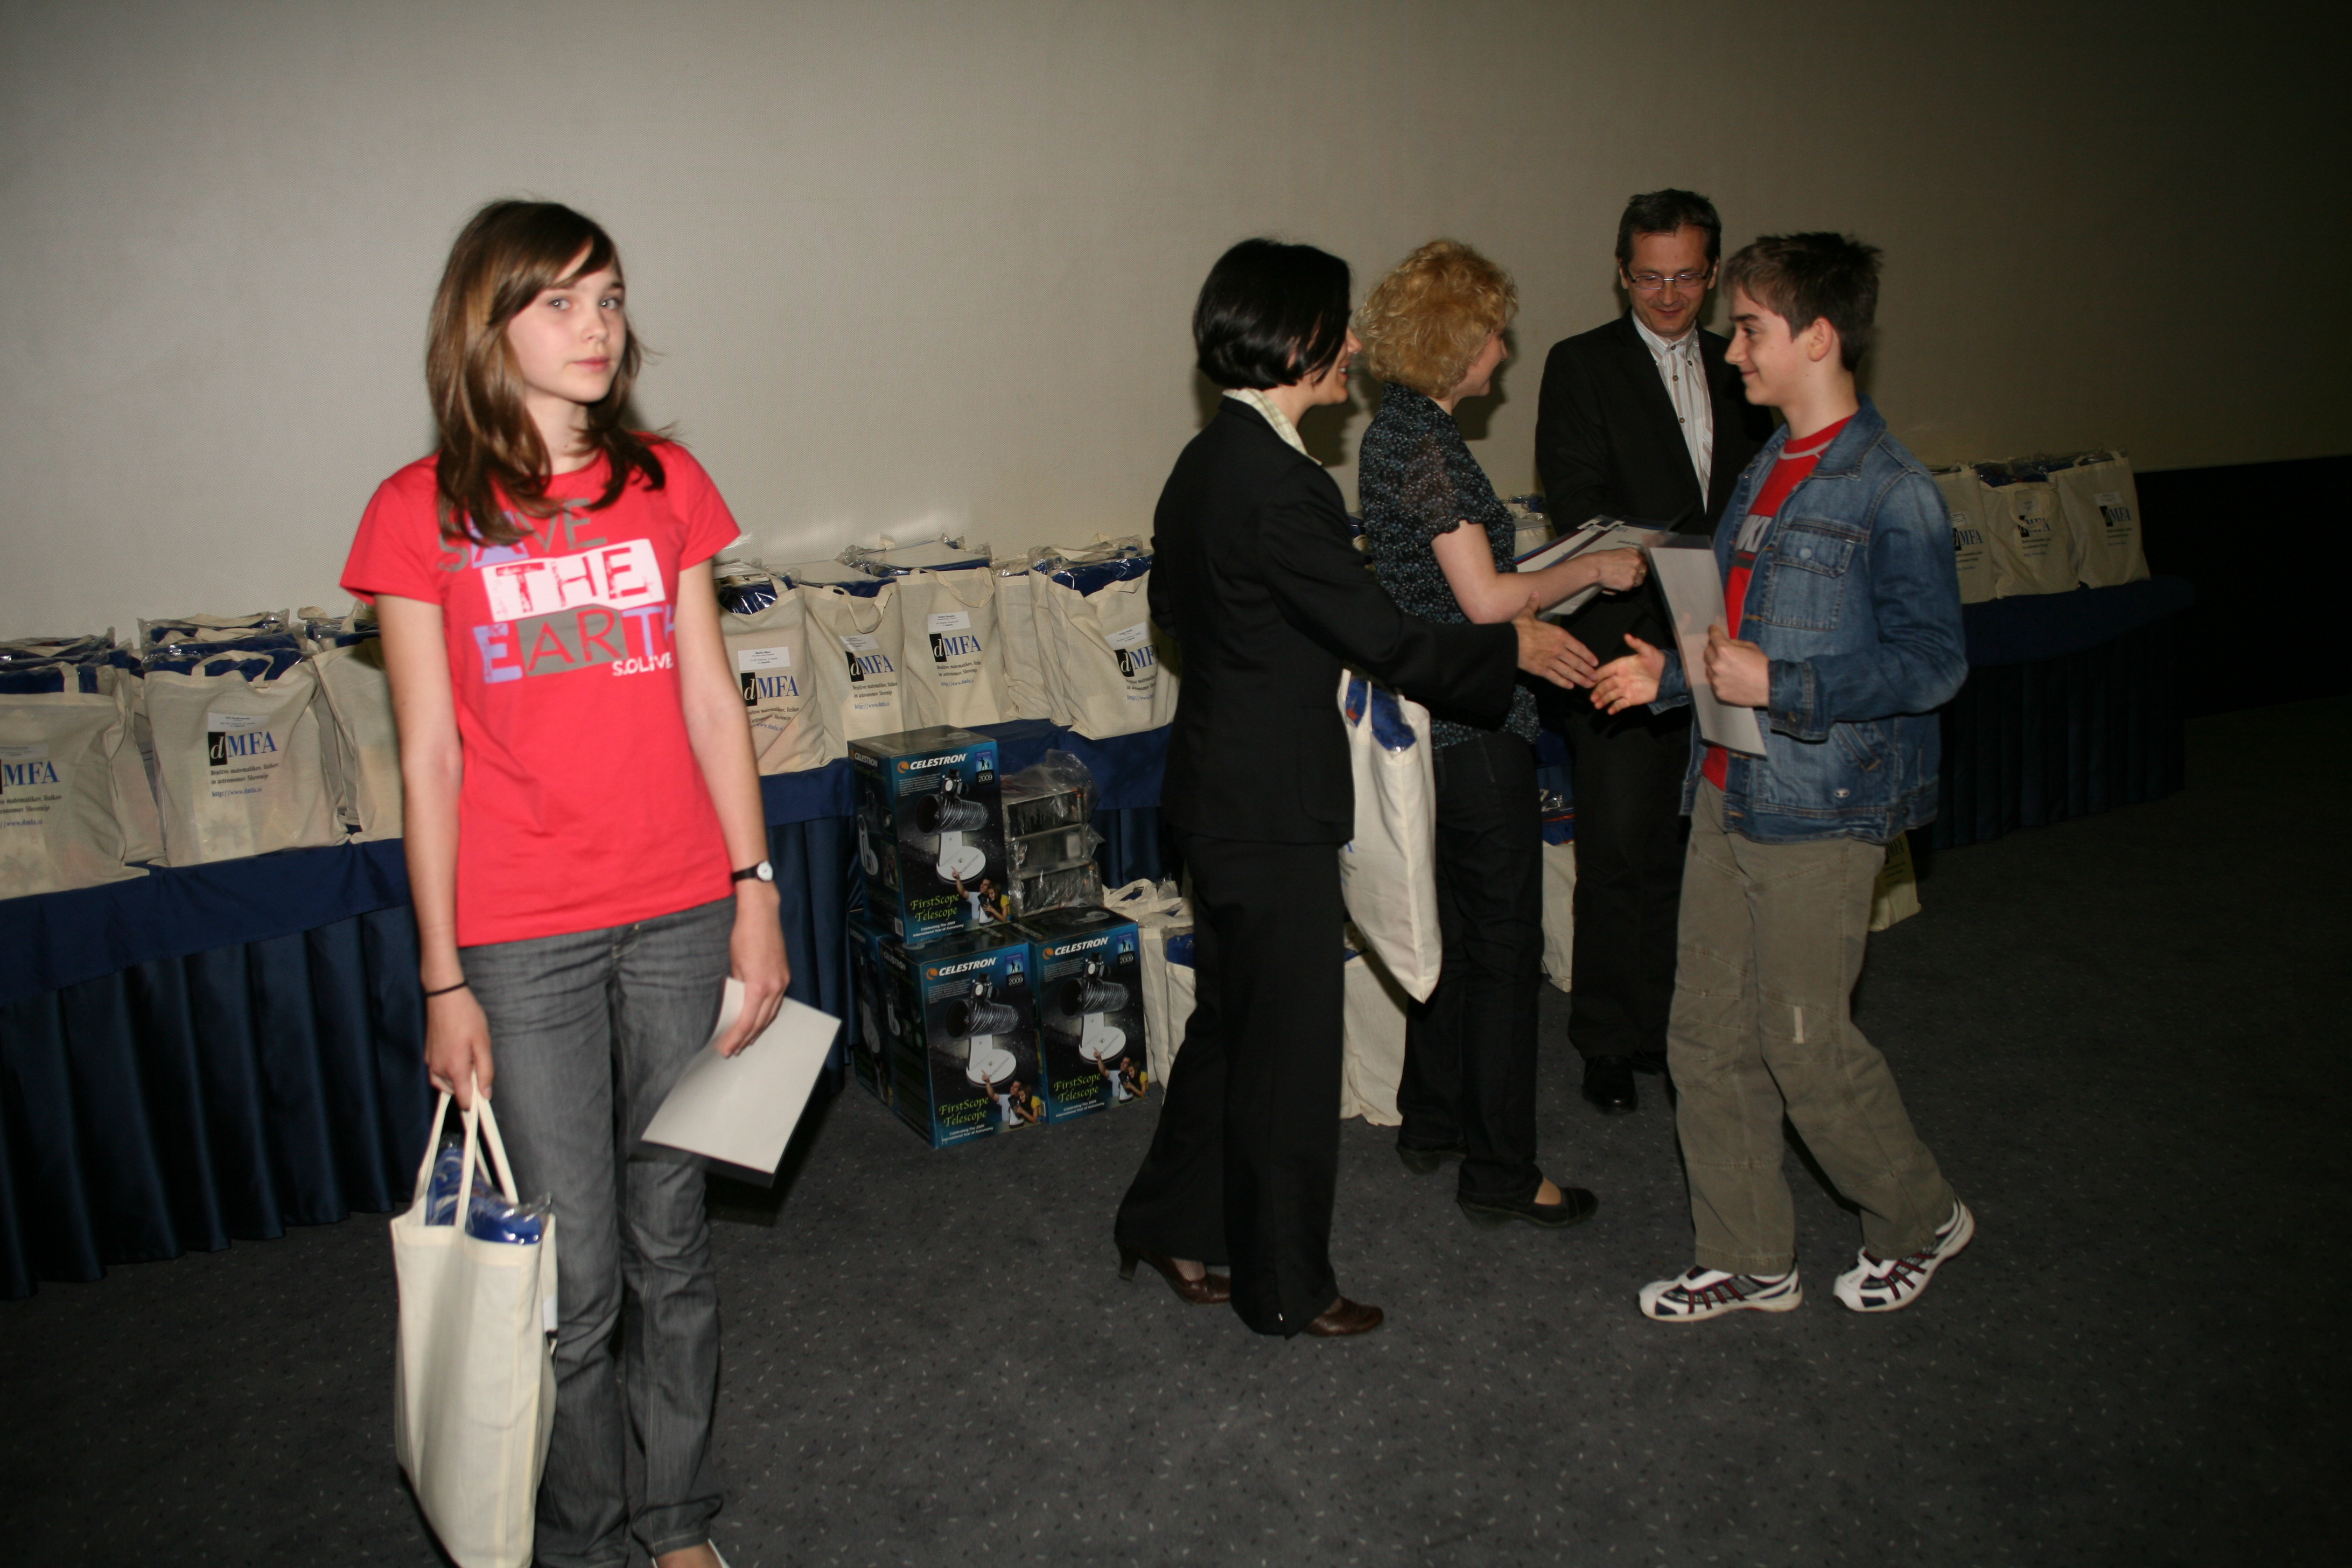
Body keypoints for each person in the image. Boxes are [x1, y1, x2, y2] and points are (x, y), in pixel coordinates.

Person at [344, 200, 787, 1567]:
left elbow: (712, 699)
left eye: (610, 299)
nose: (597, 327)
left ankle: (675, 1518)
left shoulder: (665, 484)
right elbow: (427, 759)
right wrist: (442, 977)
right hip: (521, 934)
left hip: (682, 909)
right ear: (489, 326)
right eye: (561, 302)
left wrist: (756, 888)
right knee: (574, 1270)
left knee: (674, 1241)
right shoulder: (417, 513)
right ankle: (583, 1525)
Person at [1112, 237, 1595, 1339]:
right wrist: (1510, 647)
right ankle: (1286, 1288)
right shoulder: (1284, 485)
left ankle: (1166, 1221)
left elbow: (1179, 614)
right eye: (1340, 330)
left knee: (1232, 1029)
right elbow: (1386, 638)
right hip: (1272, 810)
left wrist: (1276, 648)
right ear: (1297, 341)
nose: (1357, 348)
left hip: (1214, 793)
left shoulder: (1206, 459)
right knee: (1285, 1058)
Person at [1586, 232, 1975, 1321]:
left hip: (1821, 807)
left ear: (1818, 336)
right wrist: (1670, 678)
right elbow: (1736, 638)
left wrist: (1785, 682)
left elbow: (1934, 664)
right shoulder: (1767, 466)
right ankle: (1749, 1254)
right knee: (1705, 1038)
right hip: (1727, 786)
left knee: (1804, 1046)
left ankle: (1921, 1218)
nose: (1733, 350)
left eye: (1751, 329)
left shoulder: (1892, 489)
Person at [1353, 240, 1647, 1228]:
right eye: (1495, 334)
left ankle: (1432, 1119)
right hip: (1475, 727)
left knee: (1443, 937)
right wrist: (1592, 570)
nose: (1506, 351)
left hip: (1423, 722)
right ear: (1457, 343)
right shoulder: (1431, 448)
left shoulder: (1392, 432)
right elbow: (1486, 602)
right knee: (1504, 949)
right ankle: (1503, 1173)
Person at [1534, 190, 1775, 1116]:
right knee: (1617, 848)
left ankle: (1674, 1030)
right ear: (1620, 273)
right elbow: (1579, 503)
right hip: (1624, 639)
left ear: (1713, 275)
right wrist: (1681, 571)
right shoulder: (1582, 364)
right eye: (1648, 278)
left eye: (1686, 277)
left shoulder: (1739, 361)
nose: (1668, 295)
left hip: (1723, 644)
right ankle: (1606, 1037)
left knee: (1698, 848)